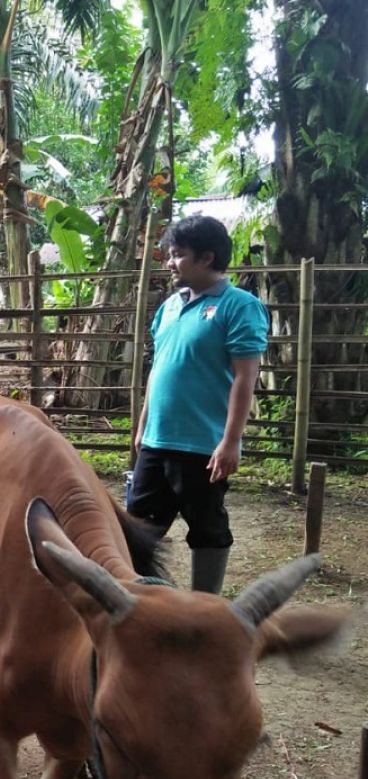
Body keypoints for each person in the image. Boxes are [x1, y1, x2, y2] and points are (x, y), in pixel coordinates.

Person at [129, 215, 268, 594]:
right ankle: (137, 601)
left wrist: (231, 441)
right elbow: (158, 370)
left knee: (207, 527)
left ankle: (205, 605)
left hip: (203, 445)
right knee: (137, 527)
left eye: (177, 255)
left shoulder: (240, 306)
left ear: (206, 258)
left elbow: (245, 376)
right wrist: (143, 425)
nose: (170, 263)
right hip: (157, 441)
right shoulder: (170, 307)